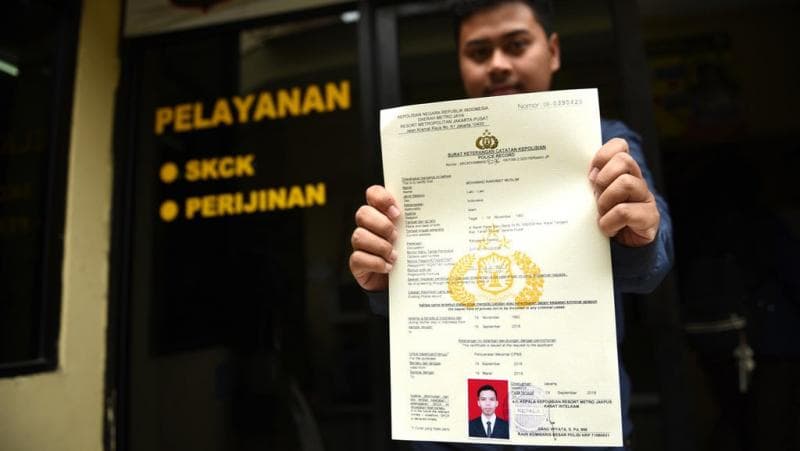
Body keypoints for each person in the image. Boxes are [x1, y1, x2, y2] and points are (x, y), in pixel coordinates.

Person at [349, 0, 674, 449]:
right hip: (448, 438)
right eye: (479, 52)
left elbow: (653, 261)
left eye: (516, 45)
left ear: (553, 51)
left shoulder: (604, 144)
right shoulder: (424, 157)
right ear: (460, 63)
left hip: (575, 433)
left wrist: (641, 235)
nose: (498, 64)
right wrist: (385, 275)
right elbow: (414, 293)